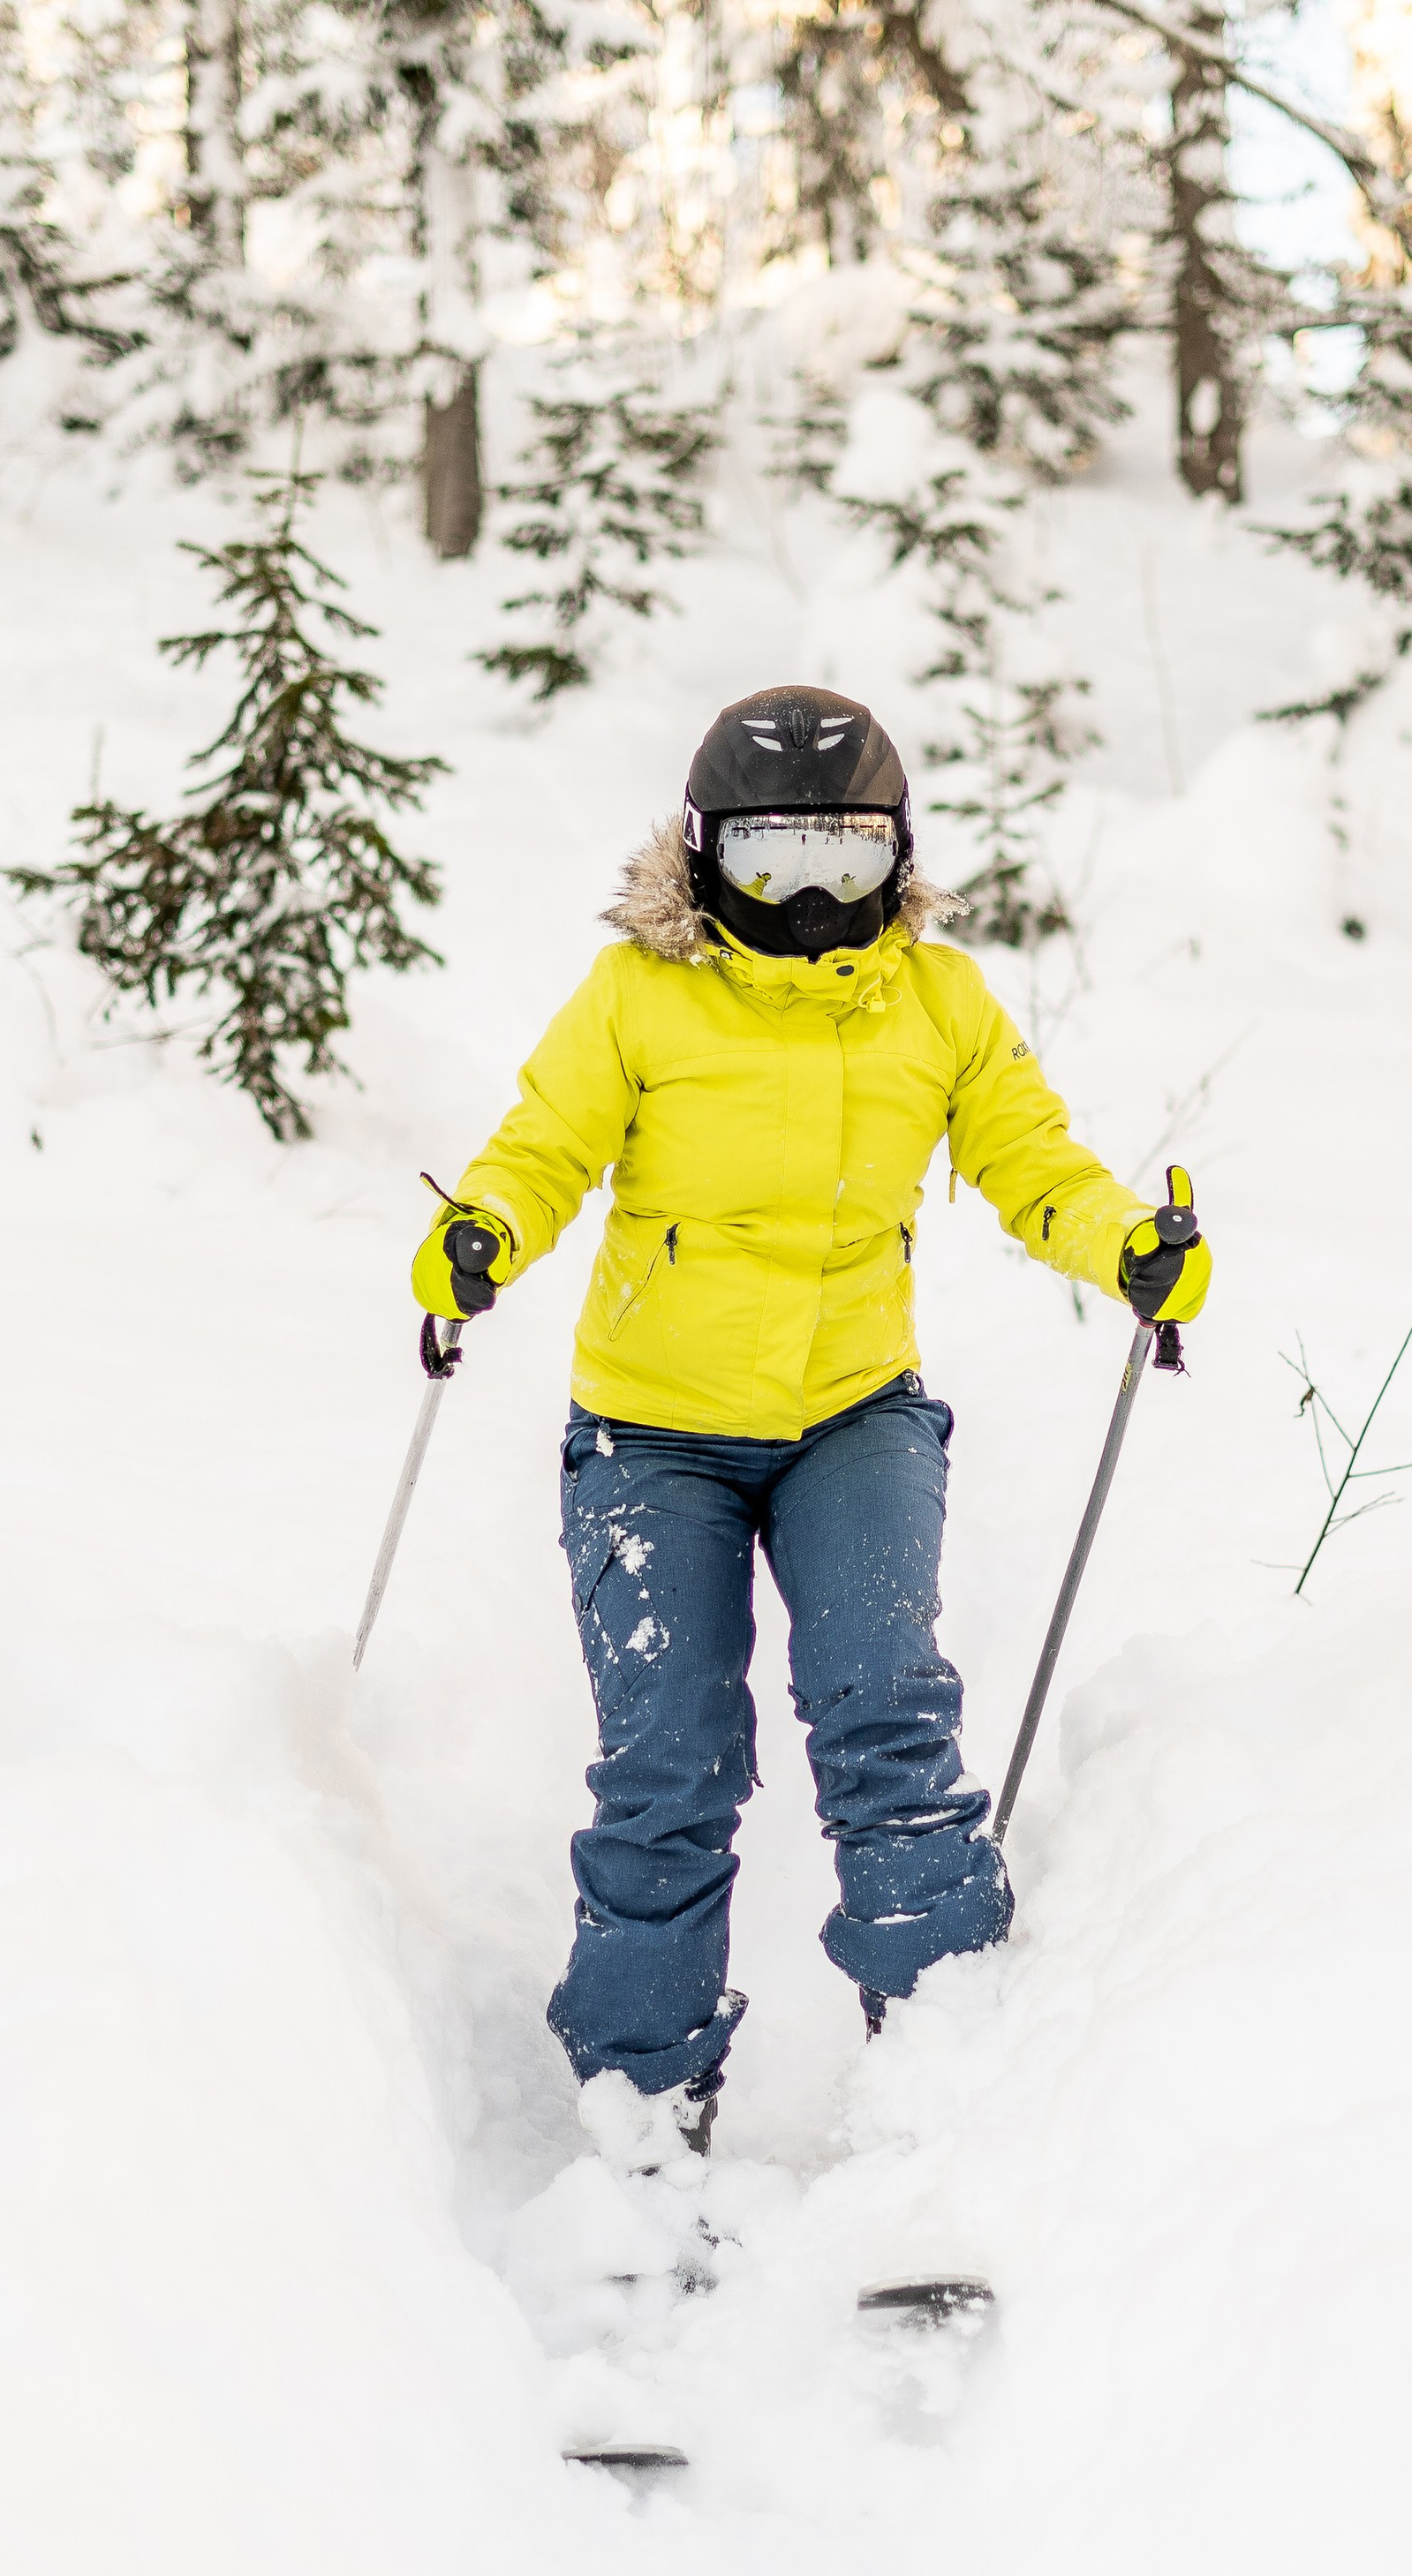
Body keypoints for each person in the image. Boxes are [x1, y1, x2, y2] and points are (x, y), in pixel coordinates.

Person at [411, 685, 1210, 2150]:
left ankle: (948, 2086)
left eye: (844, 864)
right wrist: (482, 1233)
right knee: (669, 1762)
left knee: (889, 1720)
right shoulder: (637, 997)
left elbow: (1037, 1161)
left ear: (896, 861)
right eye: (774, 865)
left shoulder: (939, 1002)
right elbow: (544, 1146)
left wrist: (1122, 1248)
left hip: (855, 1416)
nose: (808, 902)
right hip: (654, 1435)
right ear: (707, 855)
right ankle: (642, 2109)